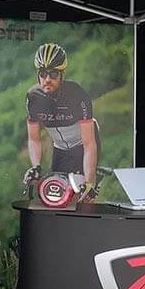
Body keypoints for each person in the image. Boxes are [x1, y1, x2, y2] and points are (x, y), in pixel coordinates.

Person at [25, 42, 99, 188]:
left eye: (53, 74)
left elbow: (89, 144)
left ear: (62, 75)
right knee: (55, 191)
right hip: (59, 148)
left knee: (81, 190)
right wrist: (36, 166)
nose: (47, 79)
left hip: (82, 146)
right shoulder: (33, 97)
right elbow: (33, 139)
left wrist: (89, 182)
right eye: (43, 73)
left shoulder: (77, 95)